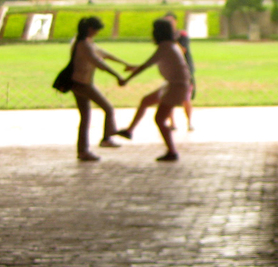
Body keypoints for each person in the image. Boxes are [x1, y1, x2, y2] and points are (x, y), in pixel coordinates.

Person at [113, 18, 191, 162]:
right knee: (146, 101)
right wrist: (135, 68)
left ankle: (172, 151)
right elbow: (150, 63)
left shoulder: (165, 47)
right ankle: (129, 131)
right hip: (173, 84)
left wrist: (127, 79)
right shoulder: (169, 46)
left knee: (160, 119)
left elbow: (146, 65)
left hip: (177, 86)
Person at [69, 16, 133, 162]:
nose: (97, 33)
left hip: (78, 82)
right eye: (96, 30)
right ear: (90, 29)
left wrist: (124, 63)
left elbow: (104, 54)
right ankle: (106, 138)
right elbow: (99, 62)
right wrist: (118, 76)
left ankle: (84, 150)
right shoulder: (83, 45)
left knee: (85, 117)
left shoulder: (83, 41)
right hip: (82, 83)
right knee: (108, 108)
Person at [163, 12, 195, 131]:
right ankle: (172, 123)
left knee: (186, 98)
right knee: (168, 97)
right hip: (171, 70)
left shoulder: (182, 35)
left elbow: (182, 50)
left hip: (184, 70)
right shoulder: (164, 37)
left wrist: (172, 39)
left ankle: (189, 122)